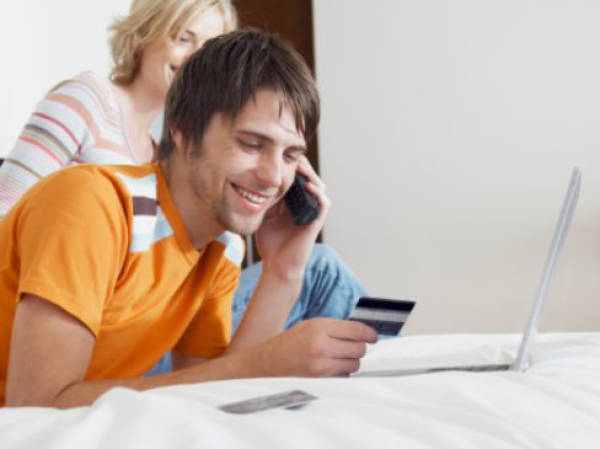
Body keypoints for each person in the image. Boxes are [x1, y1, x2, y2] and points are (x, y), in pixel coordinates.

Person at [0, 29, 378, 408]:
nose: (273, 176)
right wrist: (262, 364)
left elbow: (208, 394)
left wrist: (283, 271)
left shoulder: (220, 244)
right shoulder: (93, 204)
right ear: (181, 129)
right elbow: (35, 407)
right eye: (251, 144)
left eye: (291, 155)